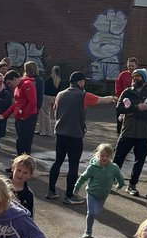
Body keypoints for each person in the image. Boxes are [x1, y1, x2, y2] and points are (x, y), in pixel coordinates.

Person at [47, 72, 116, 203]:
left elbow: (55, 111)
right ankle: (69, 195)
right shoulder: (83, 95)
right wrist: (113, 97)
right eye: (83, 81)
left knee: (57, 162)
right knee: (73, 165)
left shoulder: (60, 94)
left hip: (60, 133)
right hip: (74, 135)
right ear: (80, 82)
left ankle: (51, 191)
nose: (84, 84)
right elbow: (102, 100)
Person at [116, 69, 147, 196]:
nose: (135, 79)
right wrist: (137, 108)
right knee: (118, 157)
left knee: (139, 161)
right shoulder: (127, 92)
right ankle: (111, 180)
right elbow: (119, 108)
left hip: (143, 134)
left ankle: (132, 185)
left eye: (138, 77)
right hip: (127, 131)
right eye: (134, 76)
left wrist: (133, 112)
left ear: (144, 79)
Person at [74, 142, 125, 238]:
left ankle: (91, 221)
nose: (104, 158)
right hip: (91, 192)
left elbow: (120, 178)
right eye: (102, 155)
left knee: (96, 212)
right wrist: (76, 187)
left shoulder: (114, 168)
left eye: (107, 156)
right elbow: (83, 177)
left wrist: (120, 185)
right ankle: (88, 232)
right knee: (91, 212)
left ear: (111, 157)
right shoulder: (92, 167)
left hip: (103, 194)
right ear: (98, 155)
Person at [0, 60, 39, 156]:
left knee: (25, 142)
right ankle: (18, 163)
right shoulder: (18, 88)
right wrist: (4, 115)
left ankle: (24, 164)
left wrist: (25, 116)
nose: (10, 86)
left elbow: (33, 102)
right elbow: (15, 104)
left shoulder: (27, 85)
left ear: (14, 79)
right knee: (20, 142)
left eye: (10, 83)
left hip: (27, 118)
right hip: (20, 118)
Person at [114, 56, 139, 133]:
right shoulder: (122, 75)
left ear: (136, 66)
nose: (131, 67)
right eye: (129, 65)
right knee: (120, 119)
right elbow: (118, 87)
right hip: (122, 100)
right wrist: (119, 97)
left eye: (132, 66)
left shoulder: (139, 75)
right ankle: (119, 133)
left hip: (134, 101)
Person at [39, 65, 61, 137]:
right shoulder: (59, 80)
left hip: (47, 97)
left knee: (45, 114)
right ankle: (53, 130)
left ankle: (44, 131)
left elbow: (45, 88)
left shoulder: (49, 79)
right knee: (54, 115)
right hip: (55, 97)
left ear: (53, 71)